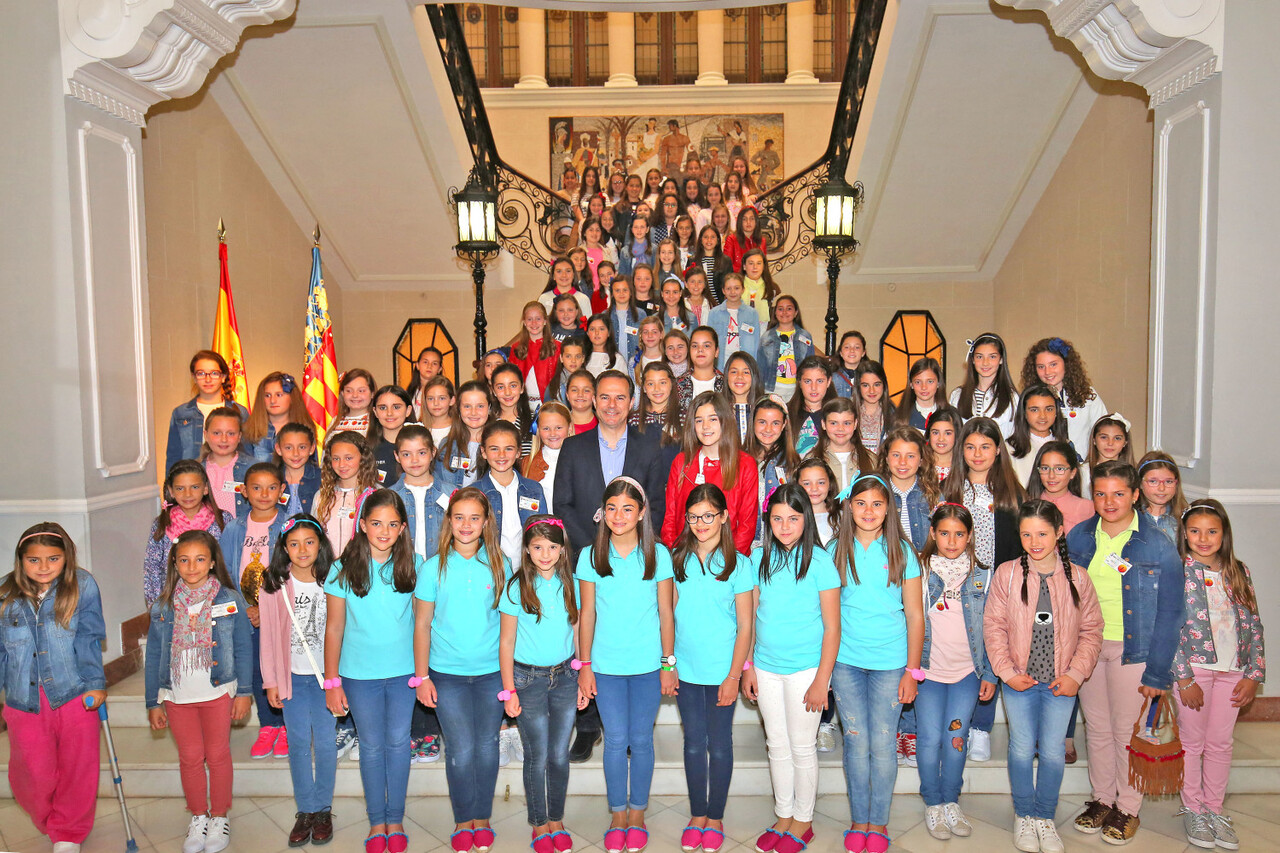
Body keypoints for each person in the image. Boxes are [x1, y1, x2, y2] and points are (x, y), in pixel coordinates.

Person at [1066, 460, 1185, 845]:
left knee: (1125, 731)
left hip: (1133, 651)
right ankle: (1102, 799)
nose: (1109, 501)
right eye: (1100, 493)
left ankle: (1127, 808)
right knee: (1097, 729)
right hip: (1088, 647)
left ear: (1135, 495)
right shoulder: (1081, 536)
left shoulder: (1157, 543)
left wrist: (1158, 672)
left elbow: (1171, 612)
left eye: (1119, 493)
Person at [553, 372, 669, 763]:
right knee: (589, 631)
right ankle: (587, 728)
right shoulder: (573, 447)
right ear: (594, 401)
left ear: (631, 401)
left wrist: (625, 544)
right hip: (590, 556)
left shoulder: (649, 447)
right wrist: (595, 550)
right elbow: (562, 505)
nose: (612, 404)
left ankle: (638, 732)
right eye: (604, 397)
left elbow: (655, 503)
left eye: (620, 398)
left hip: (635, 559)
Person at [985, 500, 1102, 853]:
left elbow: (1092, 631)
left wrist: (1076, 675)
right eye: (1026, 534)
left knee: (1052, 751)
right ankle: (1024, 814)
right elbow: (993, 627)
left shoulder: (1078, 577)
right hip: (1020, 681)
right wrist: (1006, 672)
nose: (1034, 542)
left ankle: (1044, 816)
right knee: (1021, 748)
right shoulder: (1007, 574)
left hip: (1060, 683)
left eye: (1042, 533)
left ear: (1058, 532)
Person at [576, 477, 675, 853]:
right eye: (612, 508)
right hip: (606, 665)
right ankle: (618, 813)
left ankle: (638, 813)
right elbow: (587, 615)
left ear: (642, 513)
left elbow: (667, 613)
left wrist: (668, 663)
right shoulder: (590, 556)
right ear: (603, 513)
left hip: (649, 665)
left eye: (628, 509)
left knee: (641, 740)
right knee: (615, 741)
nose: (619, 516)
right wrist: (584, 664)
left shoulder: (658, 555)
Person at [828, 475, 925, 853]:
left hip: (891, 664)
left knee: (883, 743)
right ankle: (859, 820)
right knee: (855, 741)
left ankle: (879, 822)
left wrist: (912, 672)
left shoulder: (902, 551)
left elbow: (916, 616)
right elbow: (827, 613)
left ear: (889, 510)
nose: (869, 511)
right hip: (847, 662)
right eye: (861, 503)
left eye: (877, 505)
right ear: (849, 507)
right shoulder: (836, 549)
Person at [744, 483, 841, 853]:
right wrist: (749, 666)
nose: (785, 527)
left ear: (806, 520)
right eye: (778, 519)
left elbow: (833, 626)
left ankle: (803, 819)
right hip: (766, 668)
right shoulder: (758, 559)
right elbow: (751, 618)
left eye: (794, 519)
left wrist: (822, 680)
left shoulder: (820, 562)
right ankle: (783, 814)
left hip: (806, 671)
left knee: (802, 747)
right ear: (768, 521)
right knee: (776, 745)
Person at [324, 489, 422, 853]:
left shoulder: (416, 564)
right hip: (358, 674)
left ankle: (394, 818)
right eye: (376, 523)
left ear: (402, 529)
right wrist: (332, 681)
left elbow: (423, 623)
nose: (384, 531)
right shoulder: (341, 568)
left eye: (393, 524)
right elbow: (334, 628)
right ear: (362, 525)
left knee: (398, 743)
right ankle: (376, 821)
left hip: (404, 674)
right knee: (371, 745)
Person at [413, 487, 509, 853]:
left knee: (486, 747)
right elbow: (422, 624)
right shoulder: (431, 566)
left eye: (474, 518)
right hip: (446, 675)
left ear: (486, 522)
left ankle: (482, 817)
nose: (466, 525)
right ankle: (462, 819)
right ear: (448, 521)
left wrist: (508, 679)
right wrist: (422, 677)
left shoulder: (501, 564)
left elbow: (507, 627)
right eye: (459, 517)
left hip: (490, 675)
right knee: (460, 749)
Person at [145, 529, 253, 853]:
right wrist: (154, 701)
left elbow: (244, 647)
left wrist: (244, 692)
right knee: (190, 757)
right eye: (184, 561)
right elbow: (153, 655)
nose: (192, 567)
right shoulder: (164, 606)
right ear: (175, 565)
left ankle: (219, 816)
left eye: (200, 560)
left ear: (212, 563)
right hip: (178, 696)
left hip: (218, 692)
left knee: (218, 755)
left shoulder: (229, 599)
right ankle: (198, 815)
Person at [1, 523, 106, 853]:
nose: (43, 567)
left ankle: (68, 831)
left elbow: (89, 638)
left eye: (53, 559)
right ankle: (49, 817)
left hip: (73, 692)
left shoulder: (82, 585)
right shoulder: (5, 593)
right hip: (23, 698)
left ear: (67, 557)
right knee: (34, 773)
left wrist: (96, 683)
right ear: (21, 560)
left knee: (78, 765)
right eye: (34, 560)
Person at [1173, 500, 1266, 851]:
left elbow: (1254, 625)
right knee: (1192, 743)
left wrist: (1254, 674)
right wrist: (1184, 678)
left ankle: (1213, 808)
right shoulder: (1178, 571)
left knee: (1220, 743)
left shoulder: (1238, 571)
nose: (1203, 538)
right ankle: (1193, 808)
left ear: (1224, 534)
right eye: (1195, 531)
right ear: (1185, 534)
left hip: (1234, 670)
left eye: (1212, 531)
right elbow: (1169, 627)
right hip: (1195, 671)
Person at [671, 485, 755, 853]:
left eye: (709, 515)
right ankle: (697, 814)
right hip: (686, 671)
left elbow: (746, 625)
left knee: (719, 745)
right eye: (693, 516)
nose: (701, 523)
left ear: (723, 516)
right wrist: (668, 664)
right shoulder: (676, 560)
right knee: (692, 744)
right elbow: (668, 618)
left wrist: (734, 674)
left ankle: (715, 816)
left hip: (724, 671)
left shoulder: (740, 563)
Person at [499, 515, 584, 853]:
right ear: (527, 550)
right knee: (537, 756)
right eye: (538, 547)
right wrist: (509, 690)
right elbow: (506, 642)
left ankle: (556, 818)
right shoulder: (515, 587)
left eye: (552, 547)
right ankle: (539, 822)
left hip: (565, 677)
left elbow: (577, 631)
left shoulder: (573, 585)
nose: (545, 554)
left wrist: (580, 676)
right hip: (527, 679)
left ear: (563, 551)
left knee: (559, 756)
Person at [914, 505, 995, 841]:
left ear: (970, 536)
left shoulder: (982, 574)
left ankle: (951, 800)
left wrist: (990, 673)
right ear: (933, 533)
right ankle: (932, 801)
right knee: (930, 738)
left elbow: (993, 627)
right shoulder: (918, 570)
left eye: (959, 534)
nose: (951, 540)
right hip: (928, 671)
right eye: (944, 533)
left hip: (966, 673)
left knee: (955, 738)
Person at [258, 515, 338, 847]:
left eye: (309, 542)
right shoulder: (274, 584)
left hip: (327, 681)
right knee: (299, 746)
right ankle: (305, 809)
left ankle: (322, 810)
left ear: (320, 545)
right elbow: (267, 638)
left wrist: (341, 680)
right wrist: (271, 681)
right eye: (293, 544)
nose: (302, 550)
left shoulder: (334, 579)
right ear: (284, 548)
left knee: (325, 744)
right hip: (292, 678)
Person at [218, 462, 288, 758]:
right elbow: (224, 572)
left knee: (280, 667)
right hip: (244, 613)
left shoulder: (289, 525)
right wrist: (244, 607)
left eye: (272, 487)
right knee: (257, 669)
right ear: (244, 491)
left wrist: (268, 608)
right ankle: (268, 725)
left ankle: (286, 726)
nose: (264, 494)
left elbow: (294, 570)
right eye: (256, 488)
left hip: (279, 613)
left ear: (282, 491)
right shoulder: (234, 528)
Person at [660, 392, 758, 554]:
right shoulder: (682, 462)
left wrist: (728, 563)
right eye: (699, 420)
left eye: (713, 419)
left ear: (725, 421)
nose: (705, 426)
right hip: (685, 557)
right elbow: (670, 517)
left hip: (729, 559)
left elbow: (747, 525)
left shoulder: (745, 464)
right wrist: (673, 556)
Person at [144, 460, 227, 607]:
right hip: (173, 602)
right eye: (180, 488)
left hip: (214, 601)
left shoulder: (223, 520)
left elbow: (229, 563)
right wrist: (157, 605)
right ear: (171, 491)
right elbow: (152, 567)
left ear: (205, 488)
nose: (188, 494)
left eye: (194, 487)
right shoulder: (162, 524)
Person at [165, 350, 248, 474]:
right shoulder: (181, 413)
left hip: (230, 479)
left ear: (223, 377)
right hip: (192, 480)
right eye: (201, 373)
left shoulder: (239, 412)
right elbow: (173, 457)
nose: (208, 379)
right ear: (194, 377)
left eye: (214, 373)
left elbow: (246, 452)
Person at [1020, 337, 1108, 454]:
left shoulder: (1088, 395)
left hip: (1084, 468)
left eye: (1053, 364)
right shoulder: (1029, 399)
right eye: (1041, 367)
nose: (1047, 372)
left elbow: (1104, 431)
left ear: (1066, 364)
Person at [949, 333, 1018, 438]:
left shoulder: (1012, 398)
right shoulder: (957, 395)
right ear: (972, 359)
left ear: (1001, 359)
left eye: (992, 356)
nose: (985, 363)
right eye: (979, 357)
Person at [243, 372, 313, 463]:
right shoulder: (250, 429)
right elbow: (244, 468)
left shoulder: (306, 428)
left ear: (292, 397)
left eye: (279, 395)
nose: (272, 401)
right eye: (267, 395)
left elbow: (312, 469)